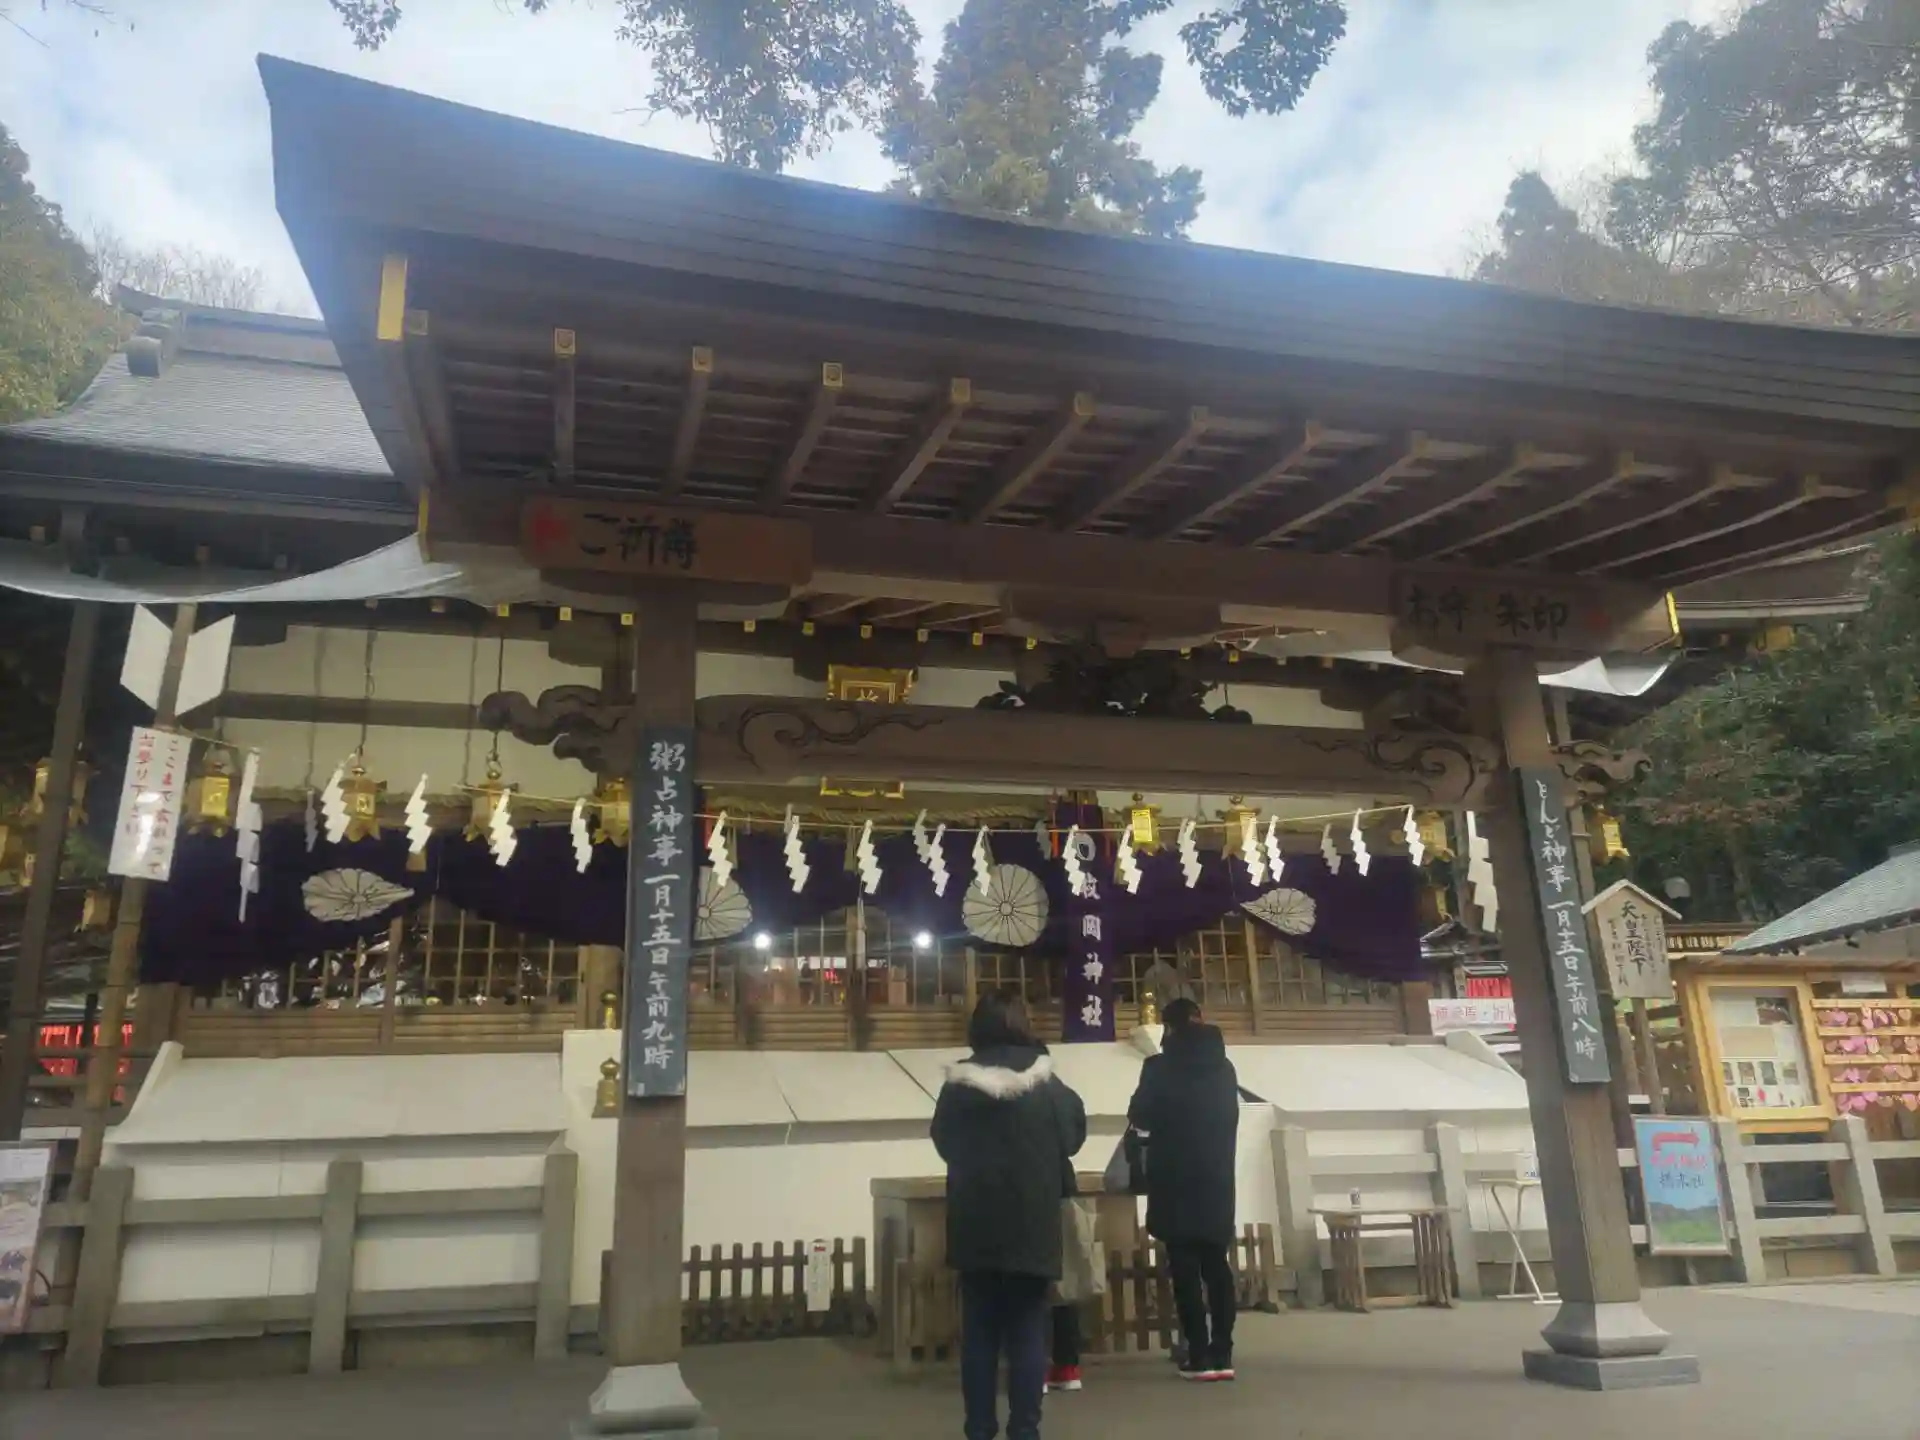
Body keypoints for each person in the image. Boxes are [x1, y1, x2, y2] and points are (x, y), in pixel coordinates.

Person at [932, 989, 1087, 1440]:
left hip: (975, 1222)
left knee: (979, 1333)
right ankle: (1025, 1430)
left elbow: (944, 1141)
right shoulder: (1047, 1082)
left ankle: (979, 1429)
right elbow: (1072, 1138)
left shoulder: (958, 1084)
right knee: (1027, 1333)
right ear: (1023, 1024)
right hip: (1032, 1223)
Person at [1127, 997, 1239, 1381]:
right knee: (1217, 1266)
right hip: (1217, 1177)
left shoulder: (1159, 1067)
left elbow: (1140, 1115)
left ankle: (1198, 1354)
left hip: (1174, 1178)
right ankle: (1223, 1354)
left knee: (1185, 1268)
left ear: (1168, 1028)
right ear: (1201, 1019)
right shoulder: (1225, 1068)